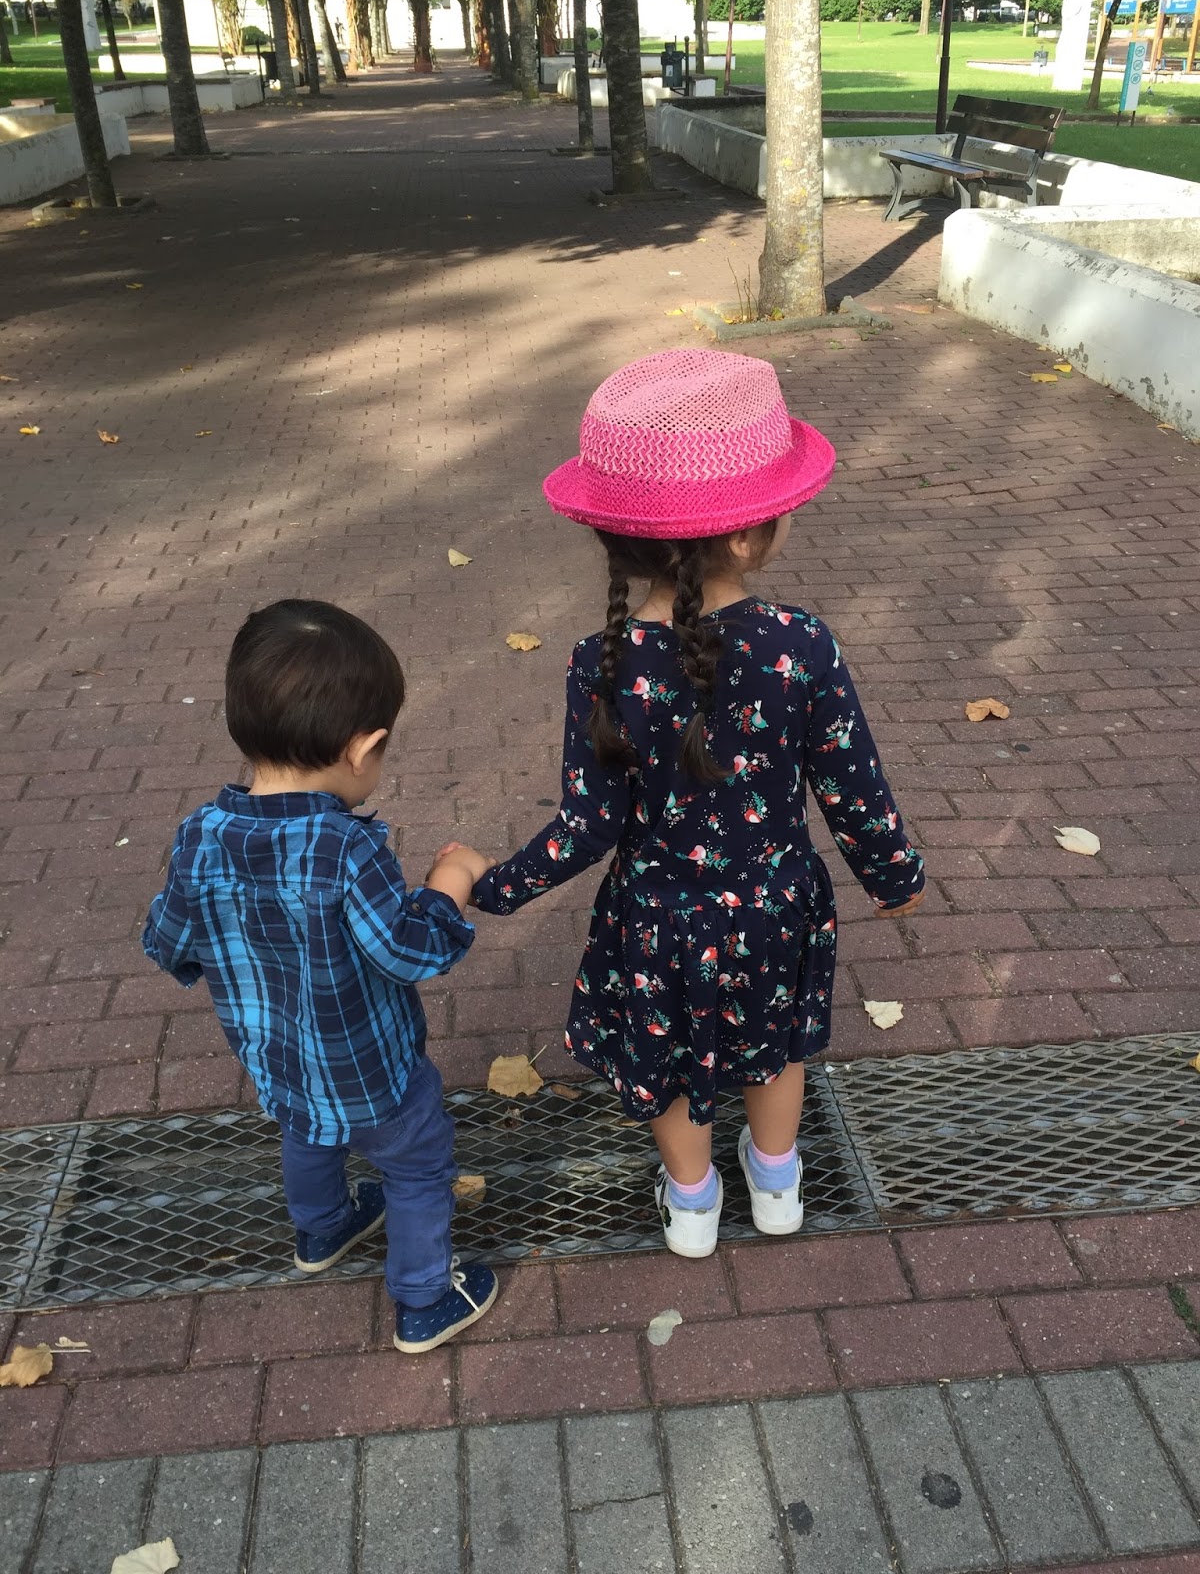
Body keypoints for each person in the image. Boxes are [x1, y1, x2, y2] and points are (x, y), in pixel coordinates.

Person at [465, 349, 925, 1259]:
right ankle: (778, 1184)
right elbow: (852, 785)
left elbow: (588, 825)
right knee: (774, 1046)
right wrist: (893, 876)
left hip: (656, 918)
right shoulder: (800, 644)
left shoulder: (598, 662)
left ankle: (693, 1202)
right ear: (747, 539)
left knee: (668, 1060)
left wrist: (496, 885)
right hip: (775, 906)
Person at [143, 599, 498, 1350]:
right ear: (361, 749)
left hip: (276, 1058)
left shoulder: (199, 837)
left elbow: (167, 940)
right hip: (376, 1073)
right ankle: (425, 1297)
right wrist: (450, 882)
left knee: (306, 1133)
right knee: (417, 1165)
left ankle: (323, 1229)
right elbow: (408, 950)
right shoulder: (343, 850)